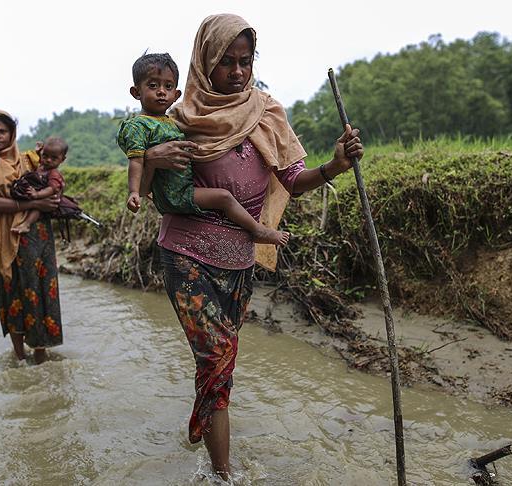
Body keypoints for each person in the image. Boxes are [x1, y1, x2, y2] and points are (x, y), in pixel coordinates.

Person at [142, 14, 364, 479]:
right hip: (187, 258)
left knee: (219, 361)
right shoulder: (176, 120)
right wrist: (151, 159)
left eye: (246, 62)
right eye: (227, 62)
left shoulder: (266, 112)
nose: (238, 72)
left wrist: (335, 165)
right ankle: (223, 475)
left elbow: (293, 181)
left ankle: (200, 424)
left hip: (240, 263)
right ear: (205, 62)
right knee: (218, 357)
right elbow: (150, 191)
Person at [117, 53, 290, 246]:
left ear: (176, 95)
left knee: (222, 198)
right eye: (153, 86)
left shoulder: (176, 120)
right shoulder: (138, 126)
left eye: (168, 86)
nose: (161, 92)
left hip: (182, 188)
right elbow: (137, 161)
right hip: (176, 194)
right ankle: (258, 230)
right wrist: (133, 191)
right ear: (136, 92)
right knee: (224, 198)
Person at [0, 109, 63, 365]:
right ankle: (20, 356)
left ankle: (41, 353)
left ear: (12, 133)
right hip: (7, 234)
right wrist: (34, 206)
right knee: (14, 291)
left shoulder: (28, 160)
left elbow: (52, 180)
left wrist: (45, 202)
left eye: (2, 131)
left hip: (38, 234)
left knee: (42, 290)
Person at [10, 136, 69, 234]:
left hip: (48, 198)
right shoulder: (43, 166)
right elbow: (38, 160)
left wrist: (37, 195)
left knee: (37, 209)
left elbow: (52, 188)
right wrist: (37, 151)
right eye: (45, 156)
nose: (48, 160)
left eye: (54, 158)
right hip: (40, 194)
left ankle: (26, 225)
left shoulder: (54, 173)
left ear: (62, 159)